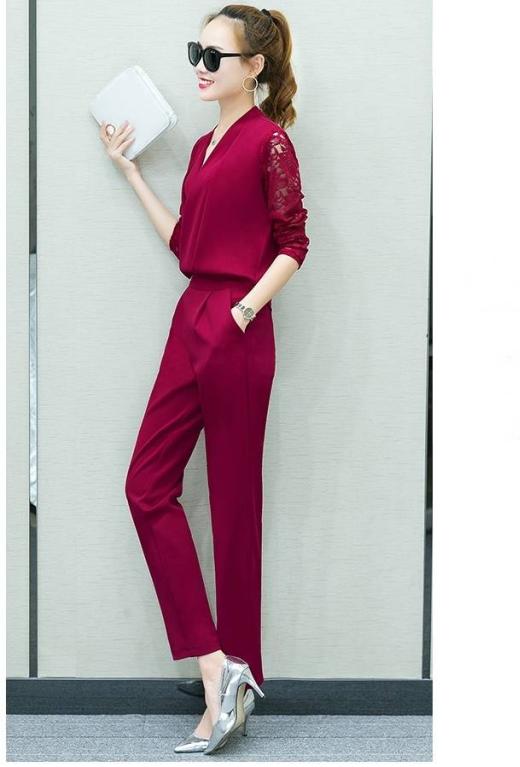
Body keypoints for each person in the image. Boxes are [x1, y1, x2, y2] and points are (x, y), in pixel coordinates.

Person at [98, 5, 310, 754]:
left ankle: (235, 671)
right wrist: (131, 171)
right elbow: (187, 243)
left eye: (214, 56)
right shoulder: (201, 147)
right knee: (146, 485)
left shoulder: (269, 141)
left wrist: (244, 310)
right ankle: (217, 661)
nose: (200, 65)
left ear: (253, 67)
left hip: (236, 325)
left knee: (233, 504)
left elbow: (294, 241)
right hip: (193, 314)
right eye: (198, 50)